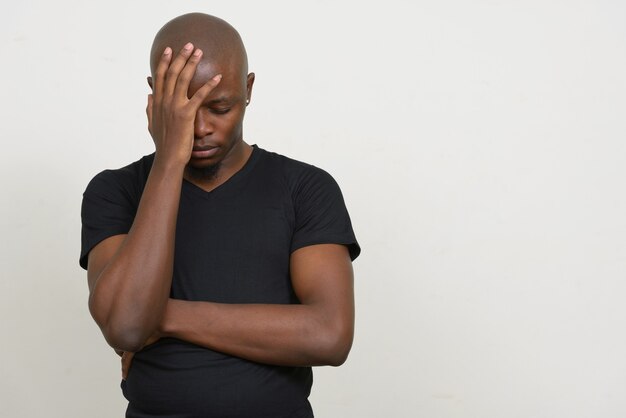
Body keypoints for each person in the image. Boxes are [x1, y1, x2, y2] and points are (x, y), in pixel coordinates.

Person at [80, 12, 360, 418]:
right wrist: (168, 163)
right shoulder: (115, 191)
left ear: (248, 90)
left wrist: (162, 316)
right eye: (183, 108)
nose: (200, 128)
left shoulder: (305, 188)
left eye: (220, 107)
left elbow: (329, 336)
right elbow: (125, 327)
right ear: (156, 96)